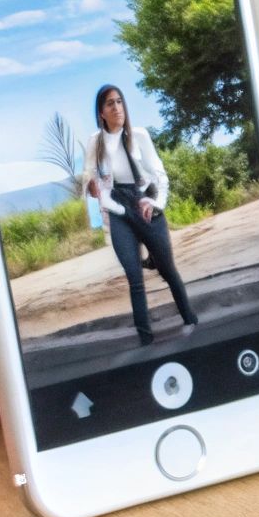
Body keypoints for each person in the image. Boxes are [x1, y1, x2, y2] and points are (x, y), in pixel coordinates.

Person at [82, 84, 199, 345]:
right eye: (110, 104)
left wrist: (156, 203)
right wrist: (90, 186)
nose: (117, 108)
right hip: (118, 210)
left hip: (143, 202)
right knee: (134, 278)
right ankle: (145, 339)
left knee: (168, 270)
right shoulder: (96, 142)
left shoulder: (139, 135)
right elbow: (88, 175)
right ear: (101, 112)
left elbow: (159, 173)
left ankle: (190, 319)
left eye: (120, 102)